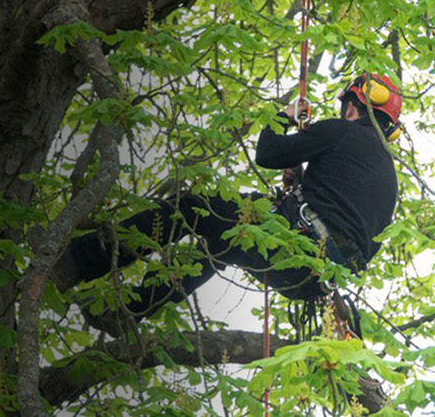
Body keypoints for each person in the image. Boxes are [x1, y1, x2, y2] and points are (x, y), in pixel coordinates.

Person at [53, 73, 403, 337]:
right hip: (310, 281)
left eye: (346, 106)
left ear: (354, 105)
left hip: (292, 241)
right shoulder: (390, 180)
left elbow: (267, 153)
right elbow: (346, 220)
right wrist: (301, 188)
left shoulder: (342, 132)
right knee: (220, 244)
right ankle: (130, 311)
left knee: (193, 209)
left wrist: (282, 117)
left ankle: (78, 260)